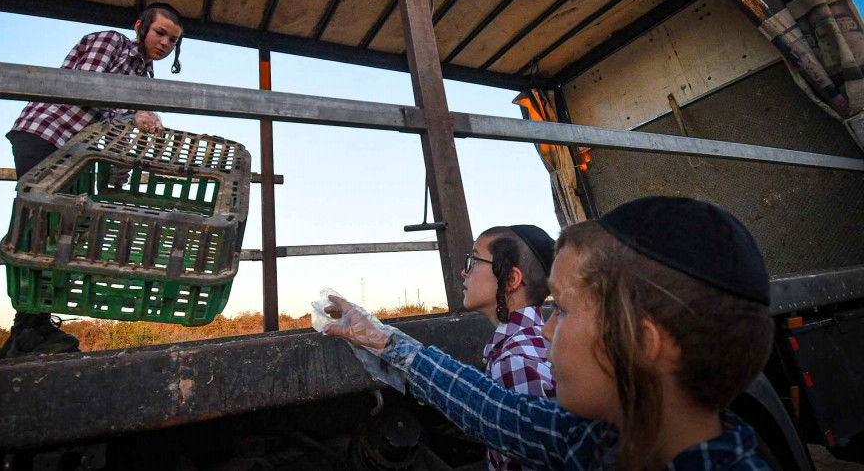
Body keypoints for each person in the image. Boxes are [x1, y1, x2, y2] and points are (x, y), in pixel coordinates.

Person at [321, 197, 774, 469]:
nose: (548, 325)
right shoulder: (590, 440)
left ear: (638, 343)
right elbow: (488, 408)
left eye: (564, 310)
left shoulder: (568, 423)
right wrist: (379, 337)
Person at [0, 3, 184, 359]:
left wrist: (119, 173)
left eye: (173, 40)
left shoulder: (145, 79)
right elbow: (86, 88)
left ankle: (29, 329)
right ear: (141, 27)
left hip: (77, 155)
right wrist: (134, 114)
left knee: (60, 233)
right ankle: (29, 329)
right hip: (47, 133)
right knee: (39, 226)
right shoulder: (111, 42)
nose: (164, 43)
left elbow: (118, 134)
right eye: (160, 33)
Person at [465, 225, 556, 470]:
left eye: (474, 260)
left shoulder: (514, 361)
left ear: (511, 279)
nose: (464, 272)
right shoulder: (538, 340)